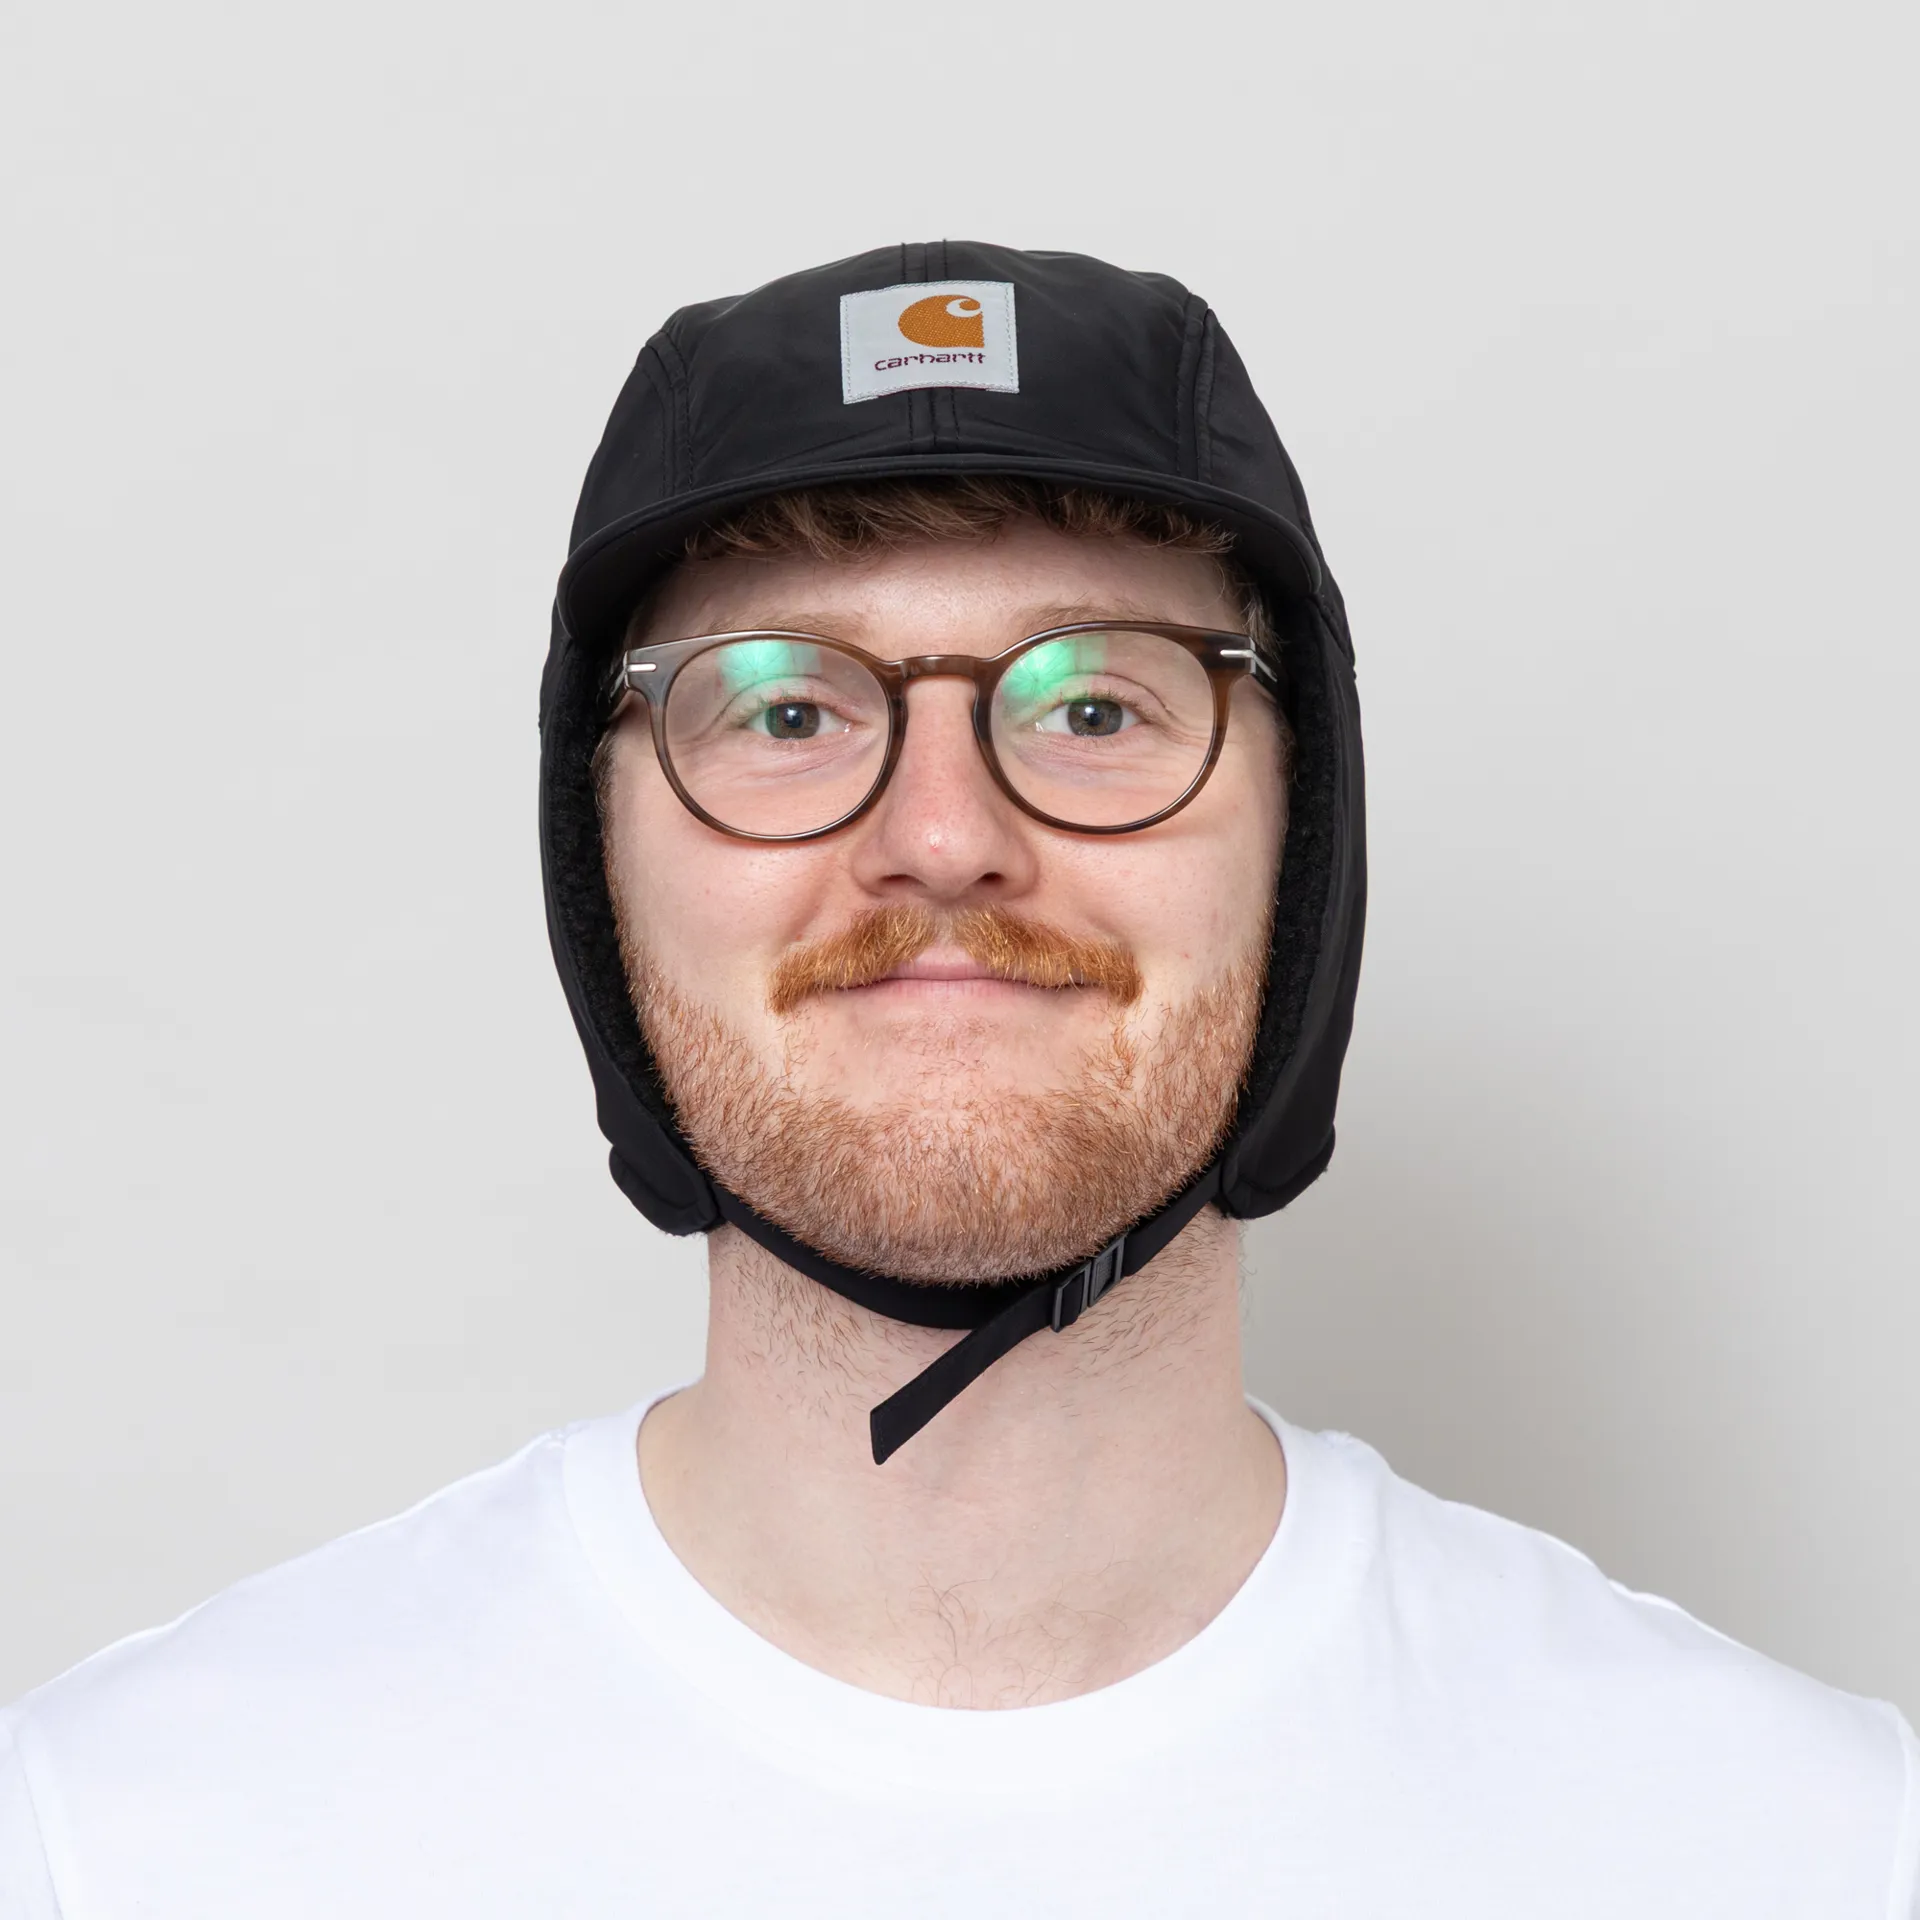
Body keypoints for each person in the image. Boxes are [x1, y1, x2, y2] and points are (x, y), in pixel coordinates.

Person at [1, 241, 1913, 1918]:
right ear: (602, 868)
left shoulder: (1803, 1851)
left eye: (1095, 704)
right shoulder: (127, 1843)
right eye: (784, 708)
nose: (939, 839)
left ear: (1303, 845)